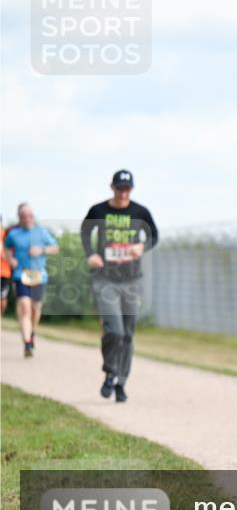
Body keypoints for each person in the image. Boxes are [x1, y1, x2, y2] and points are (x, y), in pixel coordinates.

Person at [80, 169, 159, 403]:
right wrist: (91, 253)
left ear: (131, 189)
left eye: (127, 189)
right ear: (112, 187)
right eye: (119, 189)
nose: (123, 193)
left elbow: (154, 235)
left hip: (132, 280)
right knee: (114, 330)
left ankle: (121, 382)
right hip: (105, 278)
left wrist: (141, 247)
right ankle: (110, 369)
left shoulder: (140, 212)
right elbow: (85, 231)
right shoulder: (99, 210)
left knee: (128, 335)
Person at [3, 203, 59, 357]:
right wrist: (10, 259)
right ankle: (27, 342)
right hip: (21, 274)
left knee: (35, 309)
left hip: (38, 275)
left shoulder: (42, 232)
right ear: (19, 218)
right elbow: (6, 246)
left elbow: (55, 247)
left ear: (33, 217)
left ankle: (32, 332)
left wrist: (42, 250)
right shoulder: (14, 234)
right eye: (23, 217)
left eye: (29, 216)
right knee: (25, 307)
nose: (27, 219)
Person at [1, 215, 11, 315]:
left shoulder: (6, 235)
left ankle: (1, 315)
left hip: (3, 271)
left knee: (2, 296)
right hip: (5, 271)